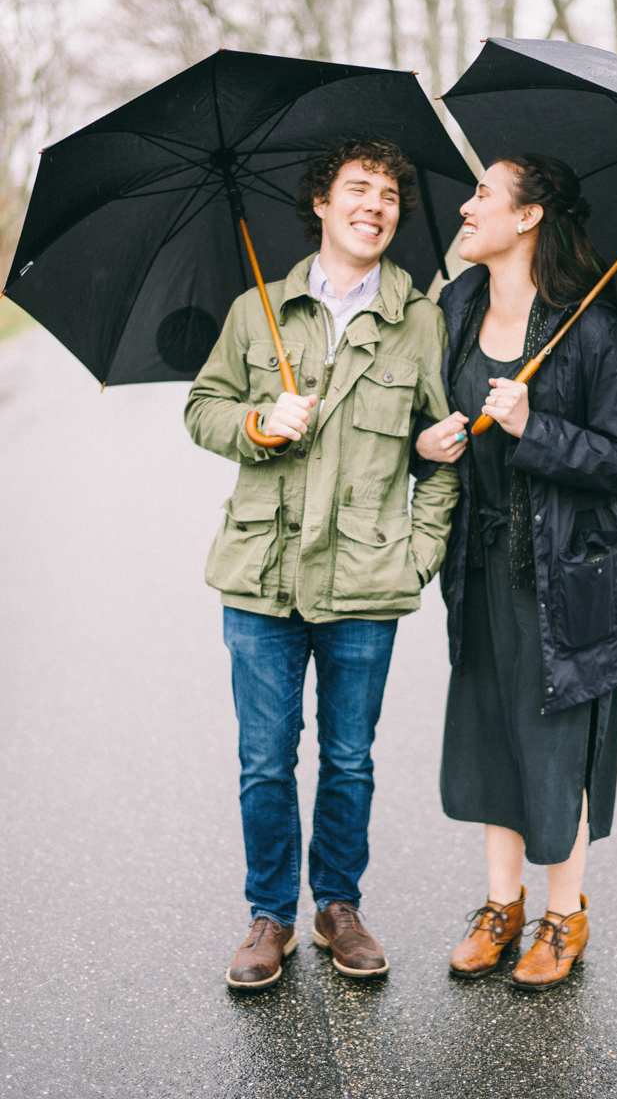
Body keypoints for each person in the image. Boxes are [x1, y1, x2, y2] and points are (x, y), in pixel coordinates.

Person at [185, 135, 460, 991]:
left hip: (365, 582)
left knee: (348, 759)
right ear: (321, 202)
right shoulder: (255, 309)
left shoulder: (421, 322)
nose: (374, 205)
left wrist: (416, 554)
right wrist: (258, 425)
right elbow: (203, 408)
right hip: (260, 577)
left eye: (388, 193)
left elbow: (443, 452)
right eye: (358, 188)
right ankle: (269, 916)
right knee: (264, 759)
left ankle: (337, 905)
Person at [414, 153, 617, 991]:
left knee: (556, 742)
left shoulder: (593, 325)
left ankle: (564, 915)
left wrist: (536, 430)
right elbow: (430, 415)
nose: (466, 203)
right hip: (477, 560)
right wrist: (429, 443)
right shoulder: (455, 304)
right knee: (490, 734)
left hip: (568, 573)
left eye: (485, 191)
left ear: (529, 217)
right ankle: (500, 906)